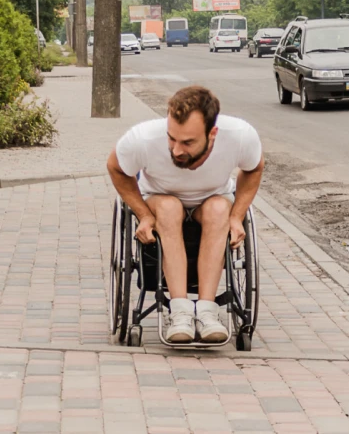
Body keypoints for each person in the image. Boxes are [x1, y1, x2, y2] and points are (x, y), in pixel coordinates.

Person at [107, 86, 264, 343]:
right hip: (160, 198)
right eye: (172, 139)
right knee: (170, 208)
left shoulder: (239, 136)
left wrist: (237, 216)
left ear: (212, 133)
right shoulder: (143, 138)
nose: (177, 150)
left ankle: (206, 312)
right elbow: (116, 167)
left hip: (211, 199)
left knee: (219, 209)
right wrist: (143, 214)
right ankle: (179, 312)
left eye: (188, 142)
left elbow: (255, 168)